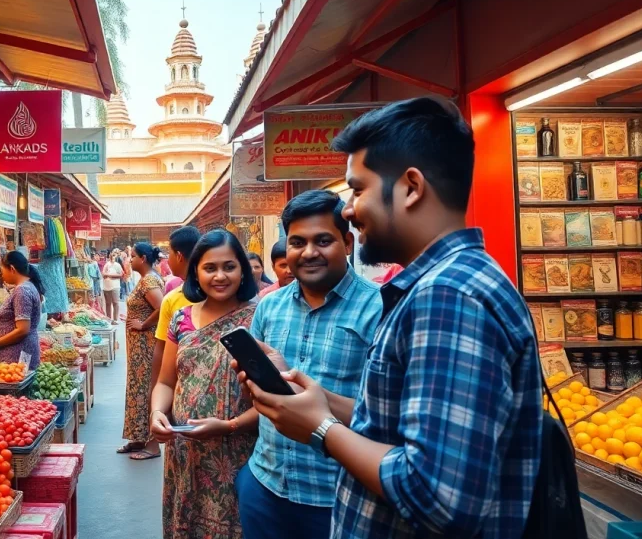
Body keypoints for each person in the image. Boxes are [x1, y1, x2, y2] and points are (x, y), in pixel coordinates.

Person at [241, 98, 542, 539]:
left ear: (411, 188)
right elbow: (398, 425)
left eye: (358, 189)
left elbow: (435, 496)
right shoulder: (444, 285)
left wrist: (320, 428)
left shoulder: (448, 297)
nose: (349, 209)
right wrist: (313, 396)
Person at [235, 190, 382, 539]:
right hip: (265, 485)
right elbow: (261, 399)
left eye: (323, 240)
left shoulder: (380, 309)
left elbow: (386, 419)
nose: (309, 252)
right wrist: (254, 385)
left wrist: (312, 401)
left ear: (348, 243)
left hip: (338, 498)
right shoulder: (270, 307)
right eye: (297, 242)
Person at [150, 230, 259, 539]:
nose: (220, 276)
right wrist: (158, 412)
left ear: (242, 270)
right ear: (196, 271)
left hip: (238, 452)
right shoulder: (180, 319)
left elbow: (275, 401)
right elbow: (166, 382)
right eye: (210, 268)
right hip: (184, 452)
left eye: (229, 266)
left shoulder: (259, 318)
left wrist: (229, 426)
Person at [119, 243, 165, 460]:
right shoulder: (146, 280)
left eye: (134, 256)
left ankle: (151, 444)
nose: (130, 260)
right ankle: (138, 437)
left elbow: (162, 307)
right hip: (138, 348)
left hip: (146, 347)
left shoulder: (149, 281)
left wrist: (144, 324)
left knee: (146, 389)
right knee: (137, 389)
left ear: (144, 258)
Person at [152, 225, 201, 391]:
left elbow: (160, 351)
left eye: (169, 254)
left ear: (179, 256)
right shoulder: (172, 297)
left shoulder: (172, 298)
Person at [0, 251, 44, 370]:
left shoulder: (22, 291)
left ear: (12, 269)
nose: (2, 276)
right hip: (21, 353)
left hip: (16, 356)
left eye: (2, 271)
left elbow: (22, 330)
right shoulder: (27, 287)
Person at [102, 255, 123, 324]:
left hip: (115, 286)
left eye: (113, 257)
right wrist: (109, 275)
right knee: (108, 303)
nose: (112, 258)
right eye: (111, 257)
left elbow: (120, 275)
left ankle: (115, 319)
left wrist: (109, 275)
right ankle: (109, 319)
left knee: (115, 303)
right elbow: (103, 274)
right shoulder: (106, 265)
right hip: (106, 287)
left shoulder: (117, 265)